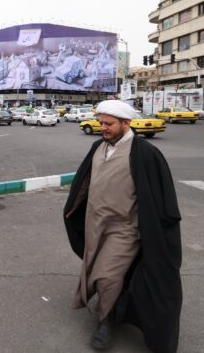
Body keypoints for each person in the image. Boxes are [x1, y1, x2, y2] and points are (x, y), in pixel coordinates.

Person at [63, 100, 182, 352]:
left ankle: (106, 322)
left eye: (109, 124)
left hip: (125, 228)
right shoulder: (98, 147)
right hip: (95, 224)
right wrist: (72, 210)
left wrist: (157, 230)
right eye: (101, 122)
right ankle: (113, 307)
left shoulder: (145, 153)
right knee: (93, 269)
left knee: (107, 276)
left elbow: (161, 197)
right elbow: (84, 182)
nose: (102, 127)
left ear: (126, 123)